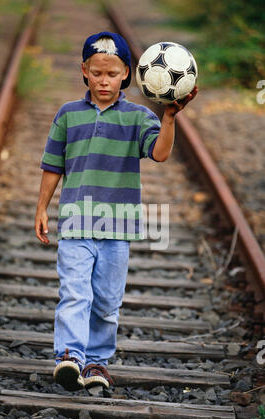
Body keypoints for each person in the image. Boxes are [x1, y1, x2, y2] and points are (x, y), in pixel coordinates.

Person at [35, 31, 197, 393]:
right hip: (76, 223)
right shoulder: (68, 115)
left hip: (118, 229)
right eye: (96, 73)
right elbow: (52, 166)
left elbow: (159, 153)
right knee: (75, 293)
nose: (103, 81)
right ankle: (70, 357)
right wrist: (42, 207)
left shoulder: (138, 118)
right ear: (84, 71)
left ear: (126, 73)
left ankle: (96, 362)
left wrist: (168, 117)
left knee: (107, 302)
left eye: (111, 74)